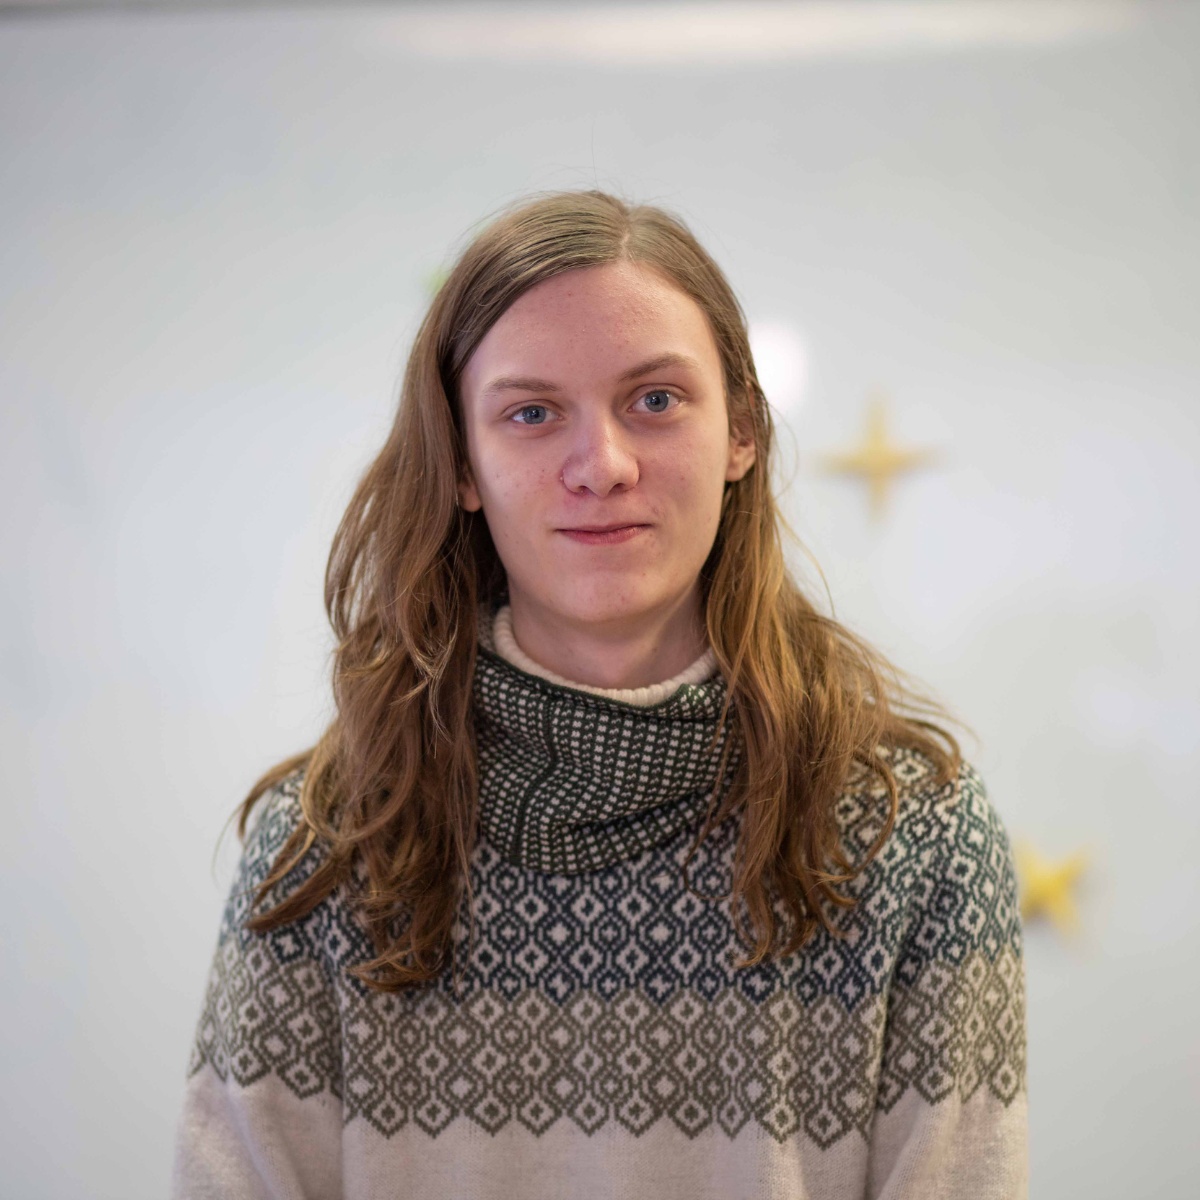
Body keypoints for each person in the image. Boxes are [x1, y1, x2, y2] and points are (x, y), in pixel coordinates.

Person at [171, 190, 1028, 1199]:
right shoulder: (323, 847)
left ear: (743, 432)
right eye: (532, 413)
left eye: (655, 400)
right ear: (463, 464)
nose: (604, 465)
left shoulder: (913, 831)